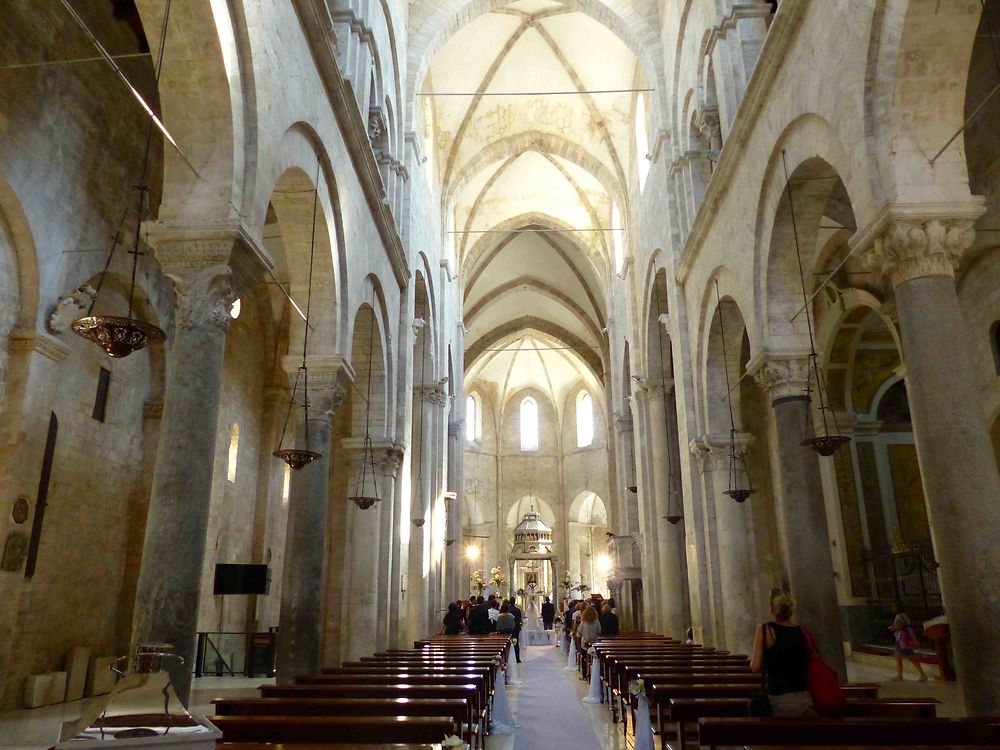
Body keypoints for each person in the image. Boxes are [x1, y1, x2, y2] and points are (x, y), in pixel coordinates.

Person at [750, 592, 817, 717]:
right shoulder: (803, 630)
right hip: (806, 696)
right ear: (791, 611)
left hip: (779, 698)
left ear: (772, 610)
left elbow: (755, 667)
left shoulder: (765, 630)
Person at [890, 605, 928, 682]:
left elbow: (899, 627)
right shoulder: (904, 615)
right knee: (898, 657)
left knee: (911, 657)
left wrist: (892, 628)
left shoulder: (898, 616)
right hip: (902, 639)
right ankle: (899, 675)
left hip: (901, 640)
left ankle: (923, 674)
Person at [577, 604, 602, 679]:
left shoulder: (584, 622)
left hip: (585, 643)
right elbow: (599, 631)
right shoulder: (596, 621)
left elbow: (579, 631)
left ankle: (584, 674)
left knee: (584, 659)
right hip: (595, 643)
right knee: (594, 658)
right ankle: (594, 673)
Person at [508, 597, 523, 663]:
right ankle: (517, 658)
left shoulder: (507, 609)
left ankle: (509, 658)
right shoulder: (517, 610)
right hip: (516, 629)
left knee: (508, 643)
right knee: (516, 643)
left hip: (508, 629)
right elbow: (519, 619)